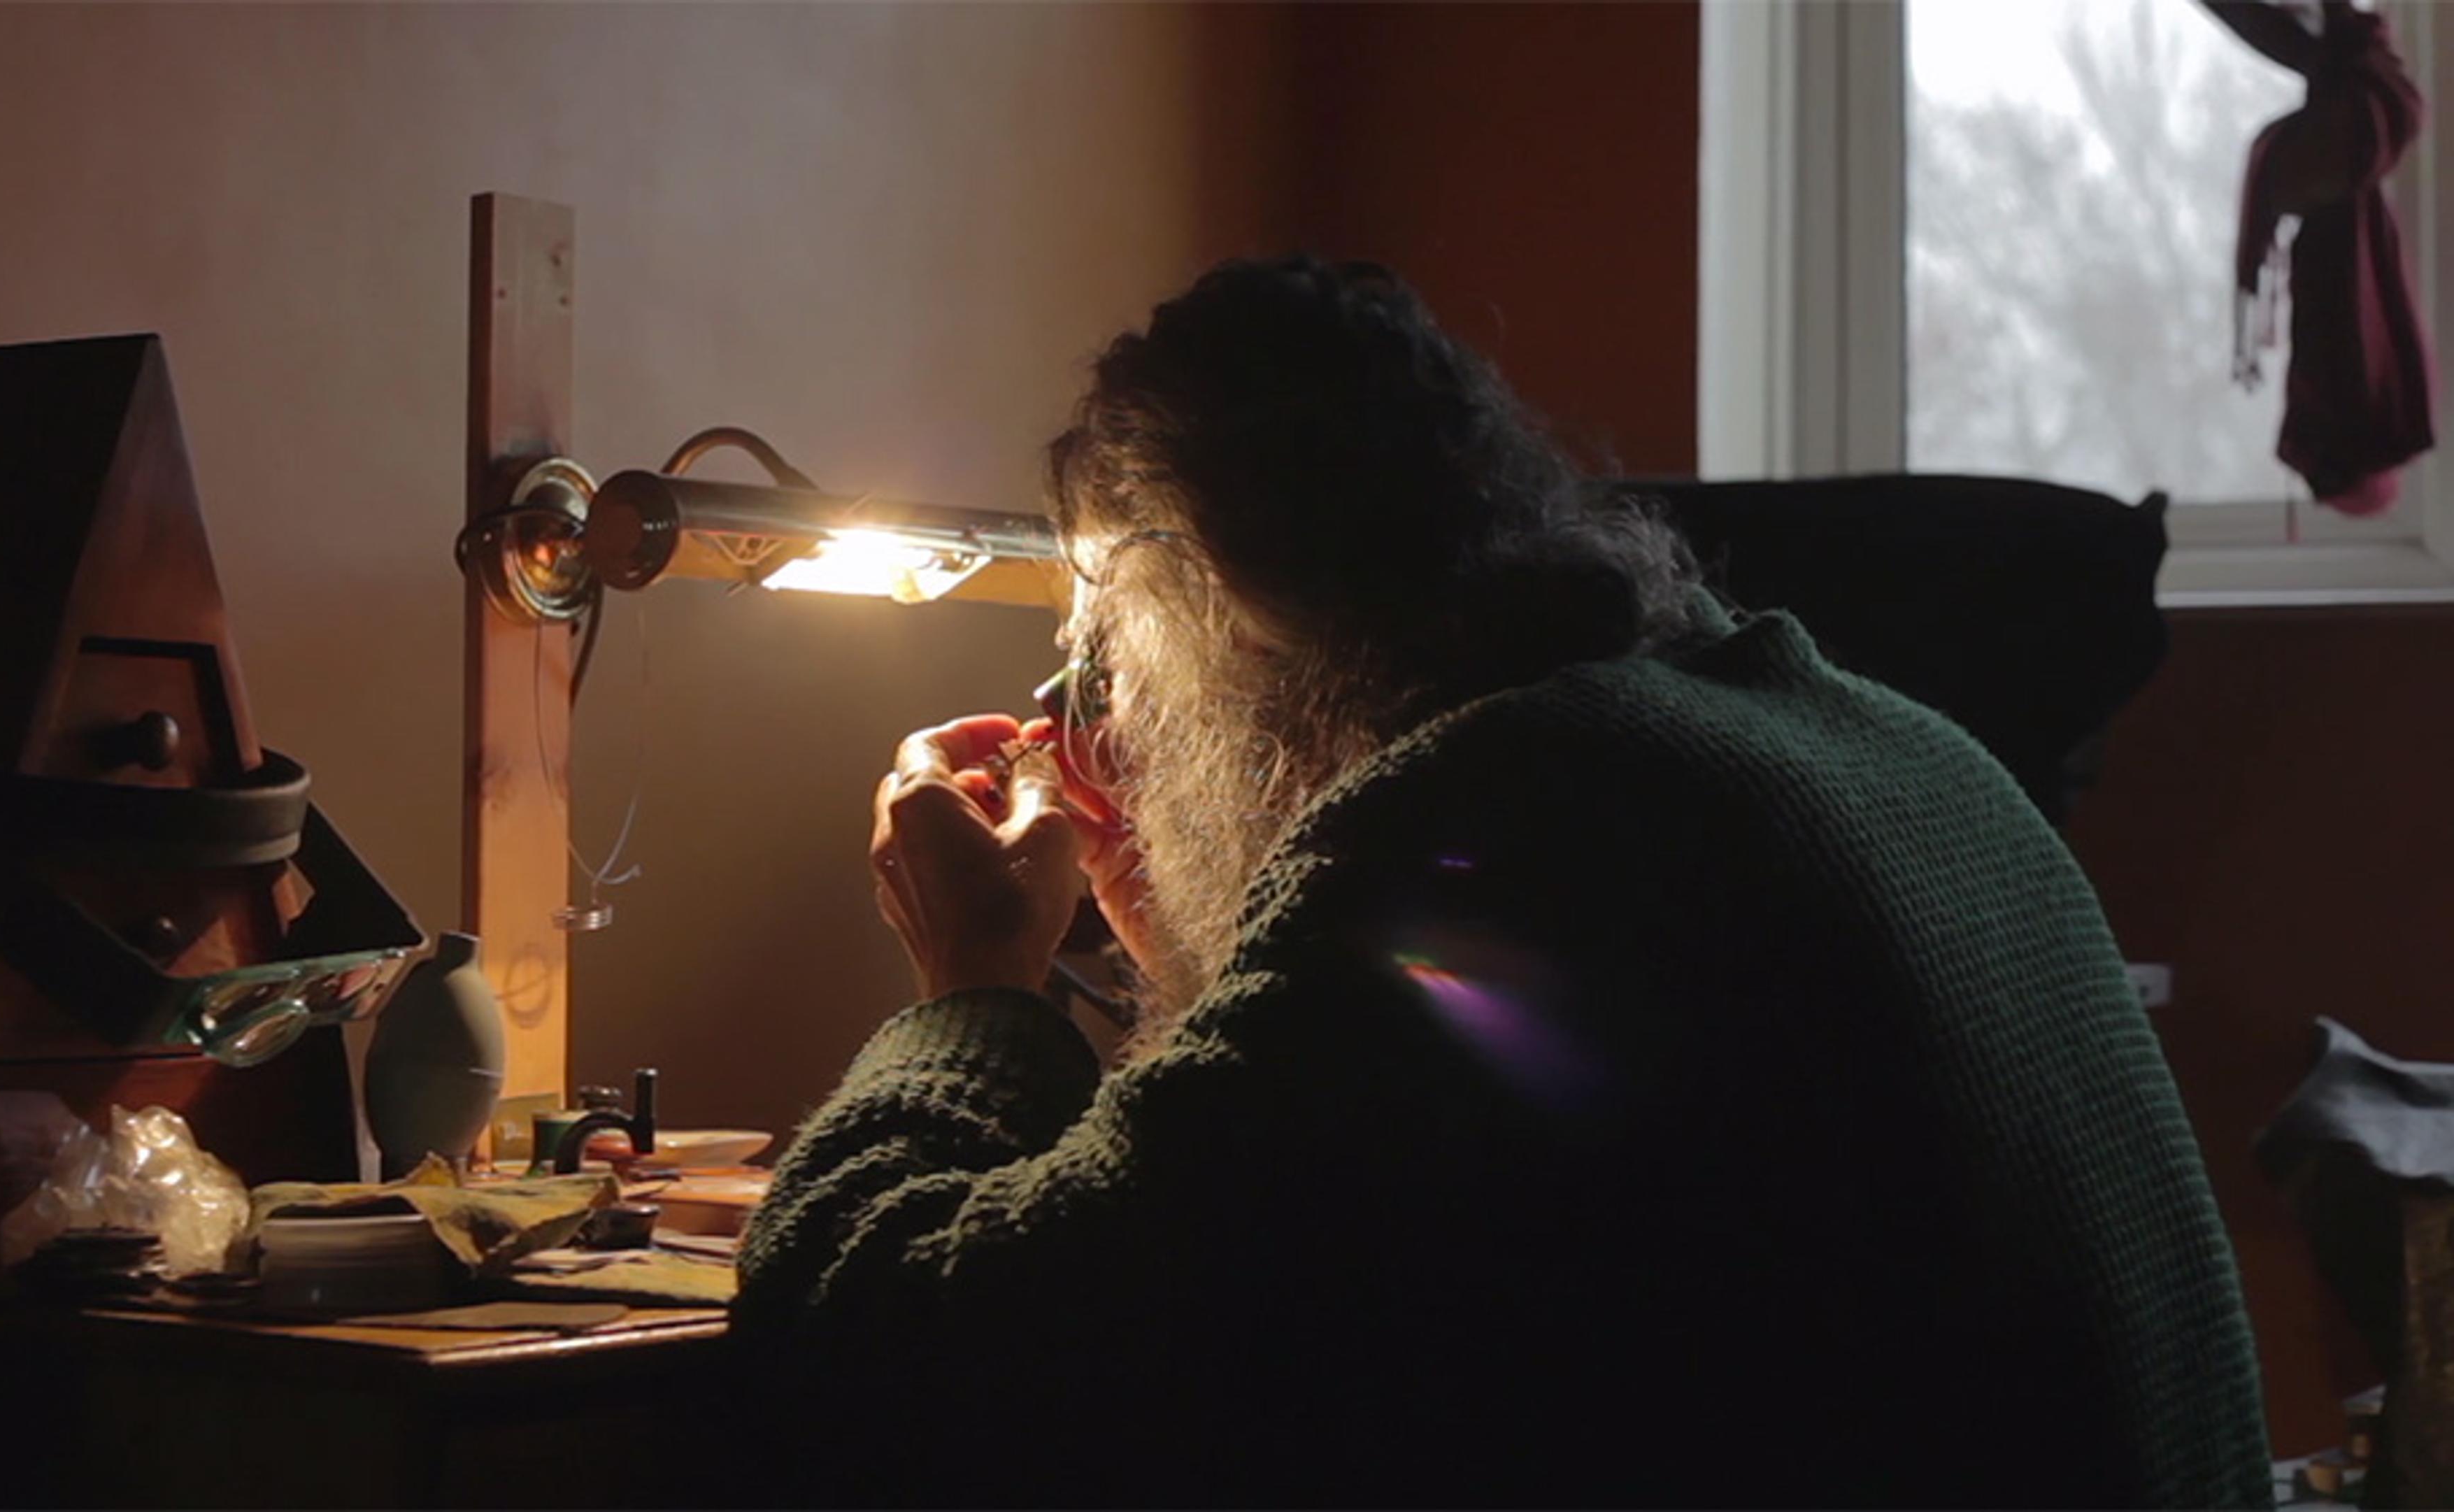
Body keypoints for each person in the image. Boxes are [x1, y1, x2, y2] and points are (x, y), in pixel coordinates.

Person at [729, 257, 2271, 1508]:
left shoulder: (1510, 835)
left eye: (1110, 657)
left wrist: (976, 982)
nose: (1101, 722)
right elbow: (1299, 1199)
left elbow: (899, 1349)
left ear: (1225, 615)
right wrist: (1173, 923)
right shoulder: (1871, 744)